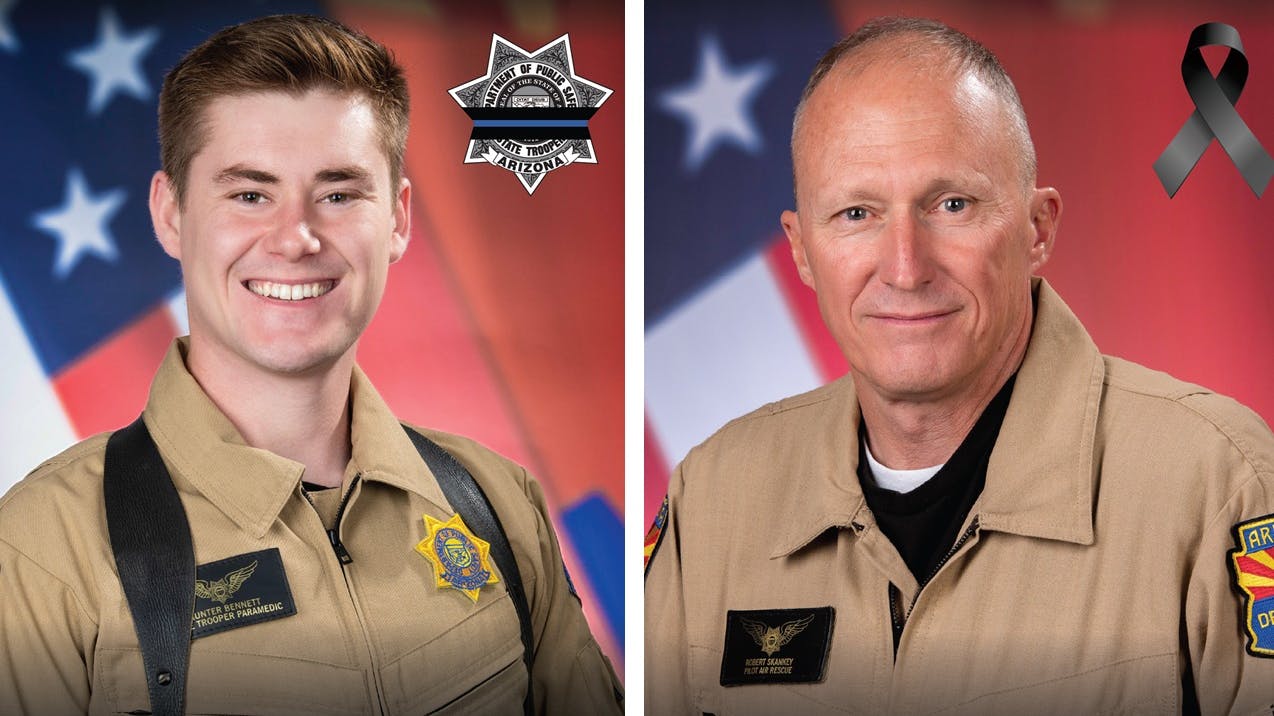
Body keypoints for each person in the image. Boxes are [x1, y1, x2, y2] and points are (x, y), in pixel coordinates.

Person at [644, 16, 1274, 715]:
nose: (906, 267)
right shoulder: (714, 503)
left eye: (952, 205)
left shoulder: (1214, 486)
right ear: (801, 250)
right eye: (856, 213)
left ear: (1038, 228)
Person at [0, 14, 622, 715]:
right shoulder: (44, 551)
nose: (296, 238)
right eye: (250, 195)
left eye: (338, 194)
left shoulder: (497, 502)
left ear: (397, 219)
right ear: (171, 215)